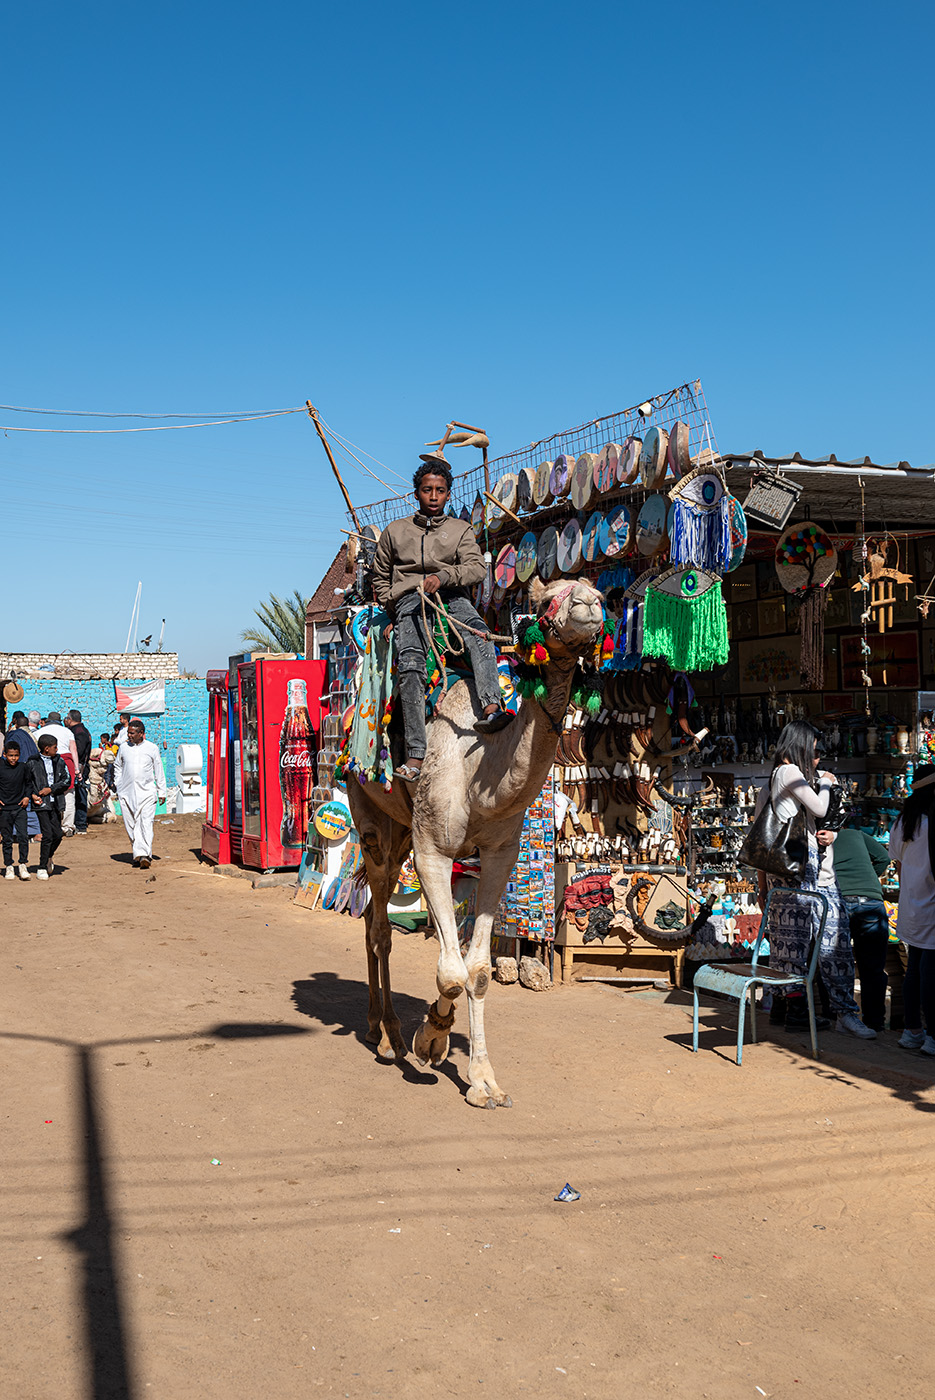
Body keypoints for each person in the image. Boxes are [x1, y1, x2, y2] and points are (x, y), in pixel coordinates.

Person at [371, 454, 514, 782]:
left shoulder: (460, 530)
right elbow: (379, 577)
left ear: (448, 493)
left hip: (452, 600)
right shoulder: (395, 532)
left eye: (439, 490)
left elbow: (477, 568)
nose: (433, 496)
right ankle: (416, 754)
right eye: (426, 490)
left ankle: (493, 708)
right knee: (410, 668)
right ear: (416, 493)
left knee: (479, 637)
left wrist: (445, 577)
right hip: (410, 604)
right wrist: (394, 610)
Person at [755, 721, 875, 1038]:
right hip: (801, 875)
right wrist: (827, 782)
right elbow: (821, 805)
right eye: (816, 750)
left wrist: (762, 886)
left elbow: (761, 841)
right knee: (820, 946)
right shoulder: (791, 774)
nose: (818, 758)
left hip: (791, 877)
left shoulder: (774, 780)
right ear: (802, 746)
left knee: (792, 948)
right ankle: (835, 1013)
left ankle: (795, 1011)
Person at [818, 825, 892, 1033]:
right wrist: (868, 880)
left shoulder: (815, 838)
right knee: (873, 967)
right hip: (870, 901)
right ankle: (875, 1021)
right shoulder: (856, 834)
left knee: (831, 962)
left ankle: (834, 1015)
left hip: (837, 901)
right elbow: (883, 858)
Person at [887, 764, 935, 1054]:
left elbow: (899, 865)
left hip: (910, 905)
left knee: (914, 969)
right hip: (930, 904)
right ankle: (932, 1035)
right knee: (928, 972)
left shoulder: (903, 822)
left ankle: (911, 1030)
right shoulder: (930, 825)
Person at [113, 719, 166, 868]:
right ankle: (138, 852)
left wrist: (161, 791)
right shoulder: (124, 748)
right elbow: (117, 766)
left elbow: (158, 769)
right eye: (128, 732)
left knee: (146, 823)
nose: (129, 735)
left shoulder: (152, 748)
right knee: (130, 824)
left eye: (132, 733)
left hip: (147, 792)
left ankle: (144, 855)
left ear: (141, 733)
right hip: (126, 792)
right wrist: (118, 784)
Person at [26, 735, 71, 879]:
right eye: (55, 747)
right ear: (47, 749)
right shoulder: (32, 762)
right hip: (41, 803)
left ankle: (49, 856)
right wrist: (33, 794)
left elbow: (67, 780)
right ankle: (41, 866)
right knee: (47, 834)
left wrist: (51, 789)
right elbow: (27, 782)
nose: (57, 750)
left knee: (57, 834)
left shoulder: (59, 760)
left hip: (56, 802)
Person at [3, 714, 41, 843]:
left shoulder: (14, 736)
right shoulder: (31, 736)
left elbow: (8, 754)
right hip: (31, 772)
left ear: (16, 724)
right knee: (29, 803)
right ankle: (35, 833)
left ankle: (14, 834)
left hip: (17, 773)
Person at [0, 738, 33, 879]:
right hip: (4, 809)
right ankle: (8, 866)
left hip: (20, 808)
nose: (13, 758)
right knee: (7, 839)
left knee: (23, 836)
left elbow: (29, 784)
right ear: (4, 754)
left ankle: (22, 865)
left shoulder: (23, 767)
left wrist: (27, 797)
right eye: (10, 755)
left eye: (16, 755)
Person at [65, 709, 93, 835]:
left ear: (70, 719)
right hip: (79, 767)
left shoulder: (79, 732)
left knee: (80, 794)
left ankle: (81, 824)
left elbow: (80, 751)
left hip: (80, 768)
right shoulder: (82, 730)